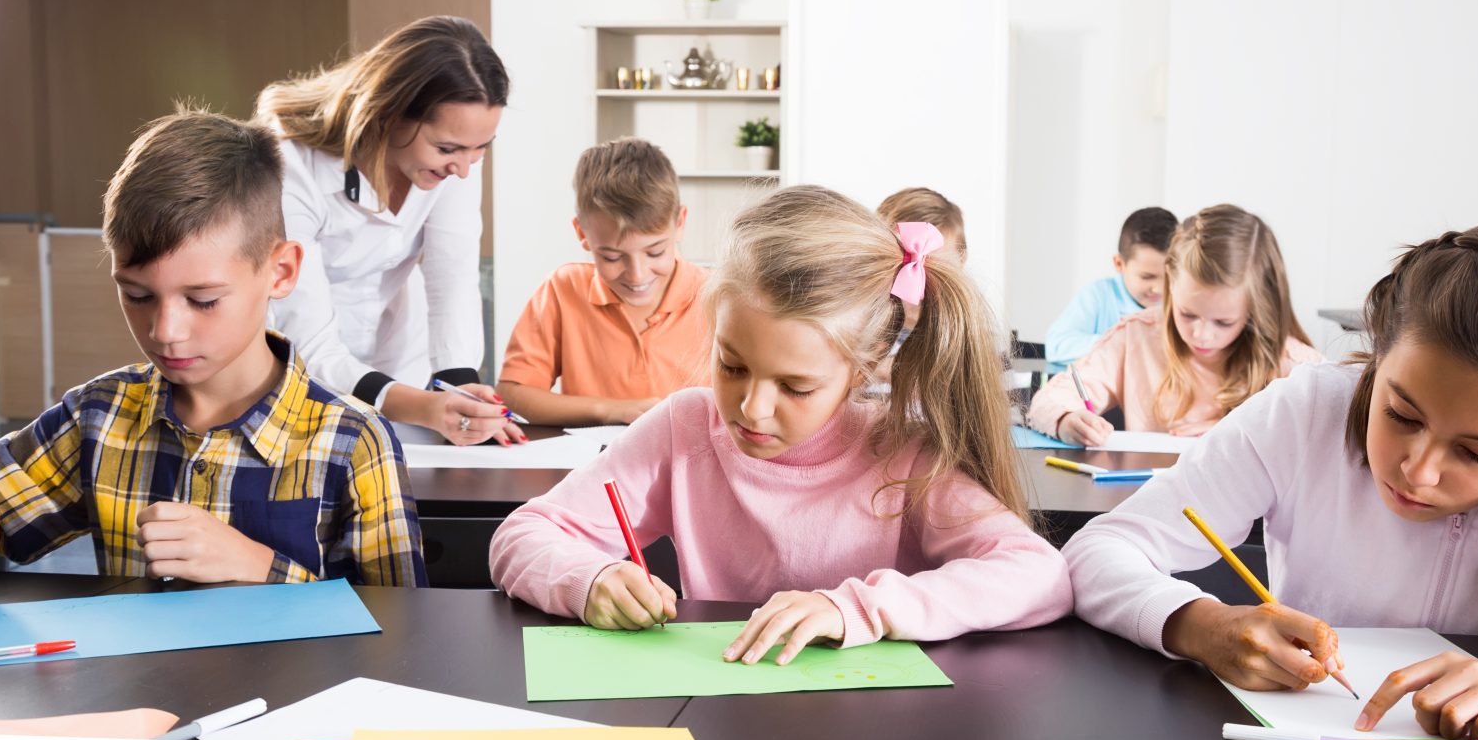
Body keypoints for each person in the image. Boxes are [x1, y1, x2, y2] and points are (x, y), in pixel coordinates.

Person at [490, 185, 1072, 665]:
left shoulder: (902, 453)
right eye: (731, 366)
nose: (751, 409)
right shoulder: (684, 427)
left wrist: (858, 609)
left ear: (863, 367)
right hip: (714, 715)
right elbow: (521, 536)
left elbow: (1039, 576)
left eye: (796, 387)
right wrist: (587, 579)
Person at [1064, 219, 1478, 740]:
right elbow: (1098, 550)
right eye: (1401, 415)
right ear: (1379, 357)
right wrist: (1201, 626)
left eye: (1477, 453)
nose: (1419, 470)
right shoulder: (1306, 411)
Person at [0, 110, 426, 586]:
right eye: (137, 295)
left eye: (203, 300)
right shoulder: (95, 417)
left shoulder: (354, 443)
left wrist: (261, 570)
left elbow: (401, 637)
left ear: (281, 272)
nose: (165, 331)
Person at [257, 15, 520, 446]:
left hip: (399, 355)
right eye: (447, 148)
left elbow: (451, 274)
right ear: (388, 114)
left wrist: (458, 386)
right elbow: (309, 342)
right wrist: (423, 405)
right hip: (297, 371)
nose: (463, 167)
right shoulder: (293, 164)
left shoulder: (458, 157)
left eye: (480, 149)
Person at [1028, 204, 1321, 444]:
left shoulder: (1296, 366)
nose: (1201, 335)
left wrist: (1238, 438)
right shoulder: (1137, 335)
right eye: (1188, 314)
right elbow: (1051, 398)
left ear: (1257, 310)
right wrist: (1066, 419)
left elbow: (1335, 441)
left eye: (1224, 322)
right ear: (1169, 284)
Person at [498, 138, 710, 426]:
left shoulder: (715, 297)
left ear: (680, 222)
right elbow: (514, 393)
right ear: (581, 232)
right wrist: (611, 410)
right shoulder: (564, 289)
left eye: (656, 252)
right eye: (612, 257)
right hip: (598, 463)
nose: (637, 275)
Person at [1045, 207, 1177, 373]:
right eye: (1147, 277)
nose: (1159, 288)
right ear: (1119, 264)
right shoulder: (1099, 295)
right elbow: (1057, 345)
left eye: (1169, 276)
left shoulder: (1182, 301)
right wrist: (1122, 343)